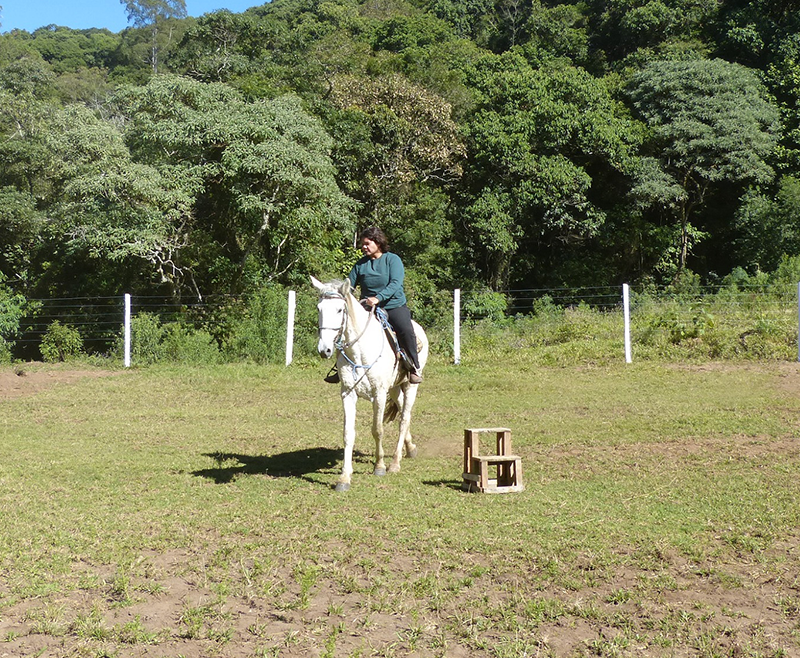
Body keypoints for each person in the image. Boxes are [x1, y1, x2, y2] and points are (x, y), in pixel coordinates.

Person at [326, 226, 423, 384]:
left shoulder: (393, 260)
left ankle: (413, 367)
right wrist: (338, 294)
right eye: (362, 244)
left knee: (405, 329)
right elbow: (349, 285)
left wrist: (378, 298)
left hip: (393, 305)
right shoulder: (360, 265)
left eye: (367, 243)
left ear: (378, 242)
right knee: (345, 330)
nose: (364, 247)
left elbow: (396, 283)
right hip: (367, 307)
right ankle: (340, 367)